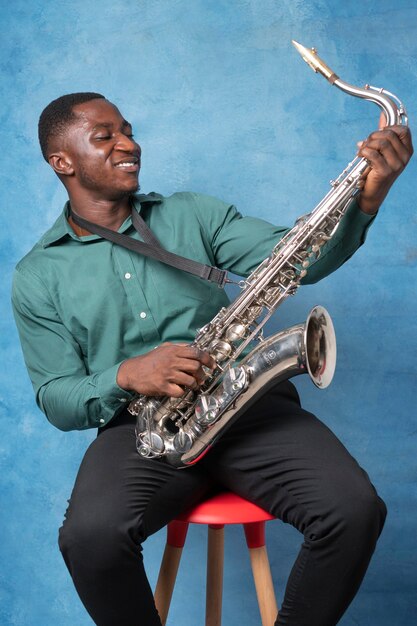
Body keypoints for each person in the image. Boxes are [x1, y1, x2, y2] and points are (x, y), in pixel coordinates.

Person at [12, 92, 412, 626]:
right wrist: (127, 374)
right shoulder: (38, 274)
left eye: (127, 130)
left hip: (250, 409)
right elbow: (57, 397)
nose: (128, 143)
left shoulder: (192, 213)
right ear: (62, 162)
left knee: (354, 511)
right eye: (104, 136)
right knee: (90, 539)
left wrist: (368, 195)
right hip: (145, 431)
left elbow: (300, 260)